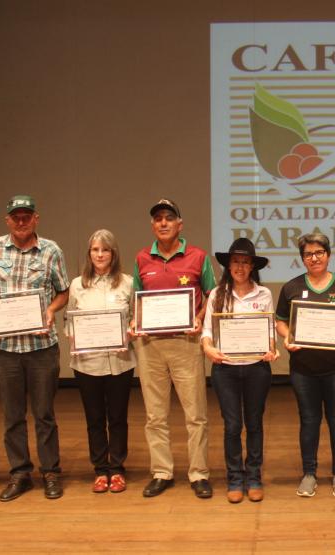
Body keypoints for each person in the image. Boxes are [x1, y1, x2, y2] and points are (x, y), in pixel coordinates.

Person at [0, 195, 70, 501]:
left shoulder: (51, 250)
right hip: (5, 349)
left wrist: (50, 310)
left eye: (26, 216)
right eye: (15, 216)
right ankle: (20, 473)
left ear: (35, 219)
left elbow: (64, 291)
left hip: (43, 346)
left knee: (44, 414)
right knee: (12, 415)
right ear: (7, 220)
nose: (21, 221)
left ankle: (51, 472)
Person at [133, 199, 216, 499]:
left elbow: (213, 295)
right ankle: (161, 471)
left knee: (196, 415)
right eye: (158, 219)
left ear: (180, 224)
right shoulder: (142, 258)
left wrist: (198, 317)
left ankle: (199, 473)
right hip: (150, 345)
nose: (164, 223)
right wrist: (134, 322)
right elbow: (136, 300)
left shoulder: (198, 256)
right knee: (155, 416)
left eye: (169, 218)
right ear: (153, 225)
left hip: (186, 343)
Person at [276, 233, 335, 498]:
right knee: (309, 420)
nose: (313, 258)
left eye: (319, 252)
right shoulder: (291, 287)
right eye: (308, 254)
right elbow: (281, 320)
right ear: (302, 258)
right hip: (303, 369)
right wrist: (286, 337)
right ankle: (309, 473)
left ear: (328, 254)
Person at [200, 238, 278, 503]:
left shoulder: (264, 294)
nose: (240, 267)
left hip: (257, 368)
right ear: (228, 265)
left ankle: (254, 476)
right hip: (226, 369)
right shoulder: (217, 294)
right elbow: (208, 331)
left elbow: (269, 330)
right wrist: (208, 348)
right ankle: (235, 477)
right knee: (232, 425)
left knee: (254, 424)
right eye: (236, 261)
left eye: (245, 262)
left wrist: (271, 348)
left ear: (253, 266)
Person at [66, 229, 136, 494]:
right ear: (89, 253)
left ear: (113, 253)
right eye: (95, 250)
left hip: (120, 361)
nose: (100, 254)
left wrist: (130, 329)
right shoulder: (77, 285)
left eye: (105, 250)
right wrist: (75, 336)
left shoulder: (127, 283)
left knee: (118, 417)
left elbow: (135, 318)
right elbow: (68, 321)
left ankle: (117, 469)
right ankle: (100, 470)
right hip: (87, 363)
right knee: (94, 418)